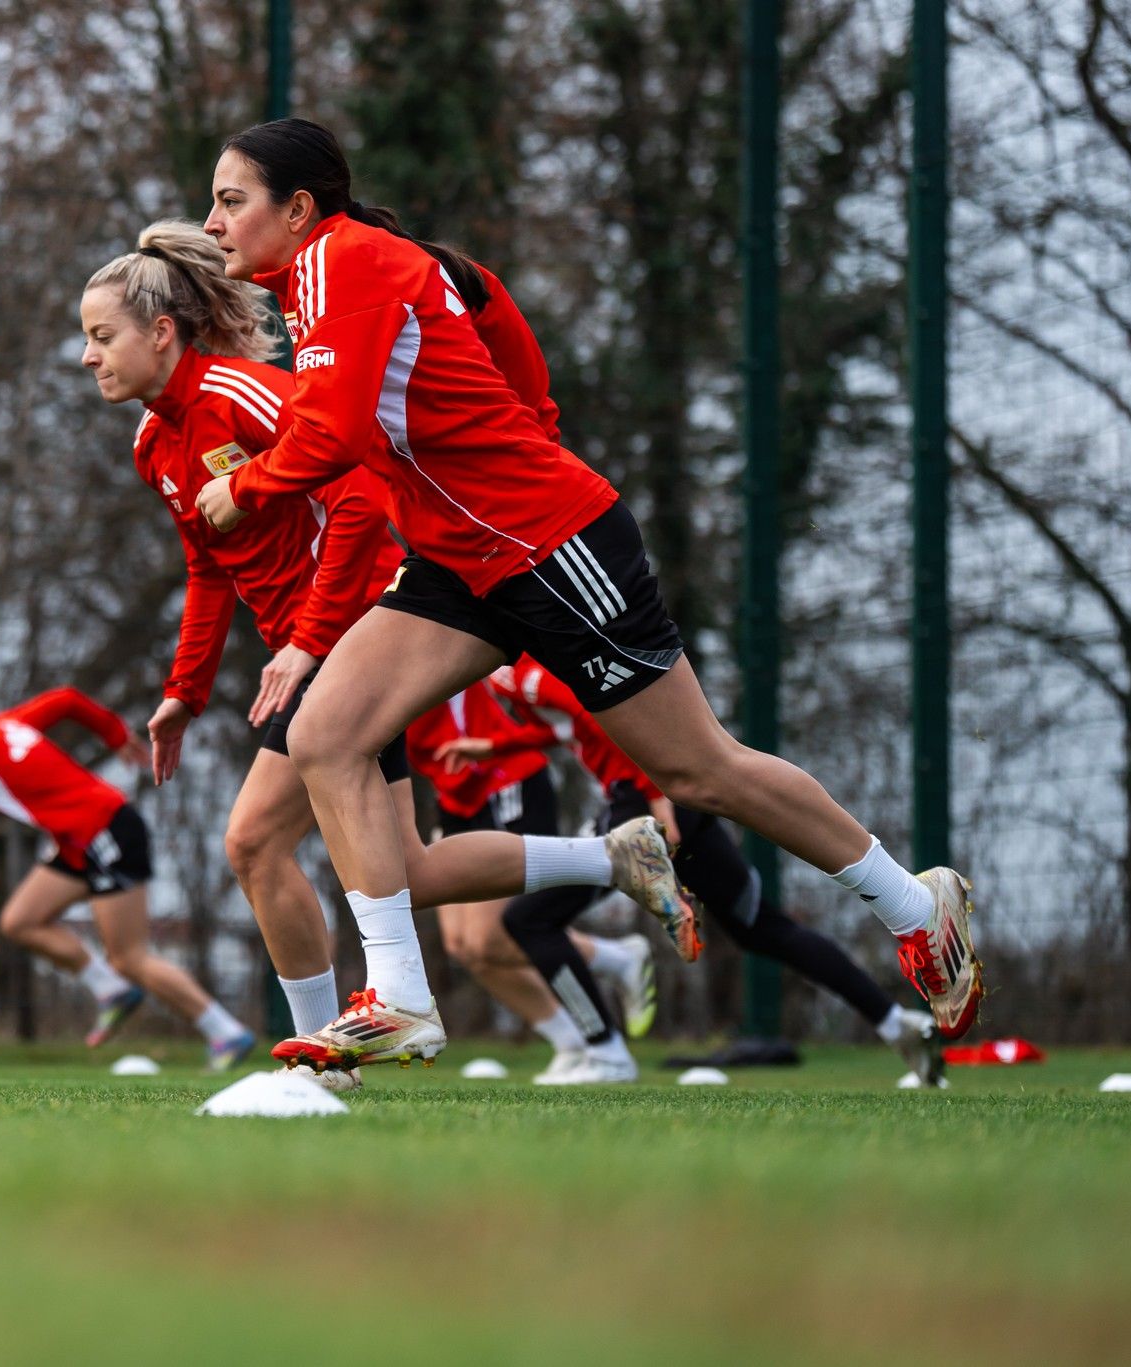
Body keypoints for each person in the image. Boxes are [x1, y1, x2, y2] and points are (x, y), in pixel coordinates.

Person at [192, 118, 980, 1073]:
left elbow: (337, 435)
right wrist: (516, 444)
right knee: (325, 736)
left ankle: (913, 903)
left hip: (551, 544)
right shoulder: (362, 271)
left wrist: (246, 485)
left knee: (700, 772)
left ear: (300, 208)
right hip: (464, 557)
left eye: (232, 199)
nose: (215, 220)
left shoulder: (341, 262)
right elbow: (511, 349)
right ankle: (398, 997)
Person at [83, 220, 683, 1084]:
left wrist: (310, 639)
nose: (89, 357)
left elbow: (361, 489)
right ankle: (614, 857)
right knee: (405, 867)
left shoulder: (244, 394)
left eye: (102, 337)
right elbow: (208, 565)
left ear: (162, 332)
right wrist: (186, 687)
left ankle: (321, 1062)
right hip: (316, 645)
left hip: (358, 631)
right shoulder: (154, 443)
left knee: (252, 841)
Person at [490, 659, 946, 1087]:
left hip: (643, 809)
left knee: (527, 920)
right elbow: (574, 728)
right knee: (762, 928)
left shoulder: (525, 672)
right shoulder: (522, 669)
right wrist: (492, 745)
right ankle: (897, 1024)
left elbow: (602, 718)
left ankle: (606, 1052)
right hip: (681, 806)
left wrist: (655, 801)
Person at [0, 685, 258, 1069]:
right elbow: (66, 699)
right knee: (20, 920)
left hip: (105, 833)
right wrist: (115, 734)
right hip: (81, 840)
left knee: (130, 957)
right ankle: (110, 989)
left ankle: (225, 1032)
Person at [407, 683, 657, 1081]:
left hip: (505, 779)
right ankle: (572, 1043)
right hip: (455, 792)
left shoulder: (396, 632)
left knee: (491, 936)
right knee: (463, 946)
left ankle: (615, 960)